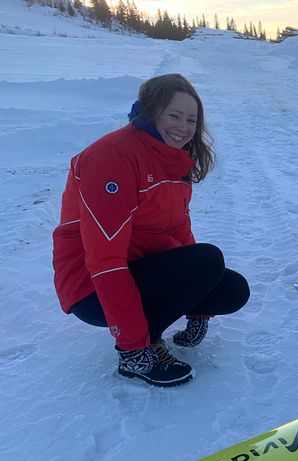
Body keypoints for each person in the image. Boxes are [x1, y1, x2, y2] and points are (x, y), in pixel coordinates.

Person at [52, 74, 250, 388]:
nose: (184, 128)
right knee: (208, 260)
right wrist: (133, 343)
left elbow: (179, 231)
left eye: (191, 120)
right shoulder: (112, 157)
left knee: (232, 289)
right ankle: (137, 352)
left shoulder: (172, 159)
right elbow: (105, 261)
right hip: (91, 286)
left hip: (139, 268)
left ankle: (146, 330)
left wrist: (199, 305)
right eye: (174, 116)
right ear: (151, 112)